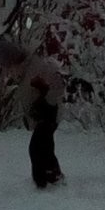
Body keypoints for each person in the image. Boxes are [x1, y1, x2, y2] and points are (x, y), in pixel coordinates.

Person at [23, 56, 64, 189]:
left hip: (47, 120)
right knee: (44, 149)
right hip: (48, 119)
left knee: (37, 149)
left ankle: (44, 180)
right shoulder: (44, 89)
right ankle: (52, 177)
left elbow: (53, 99)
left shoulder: (50, 90)